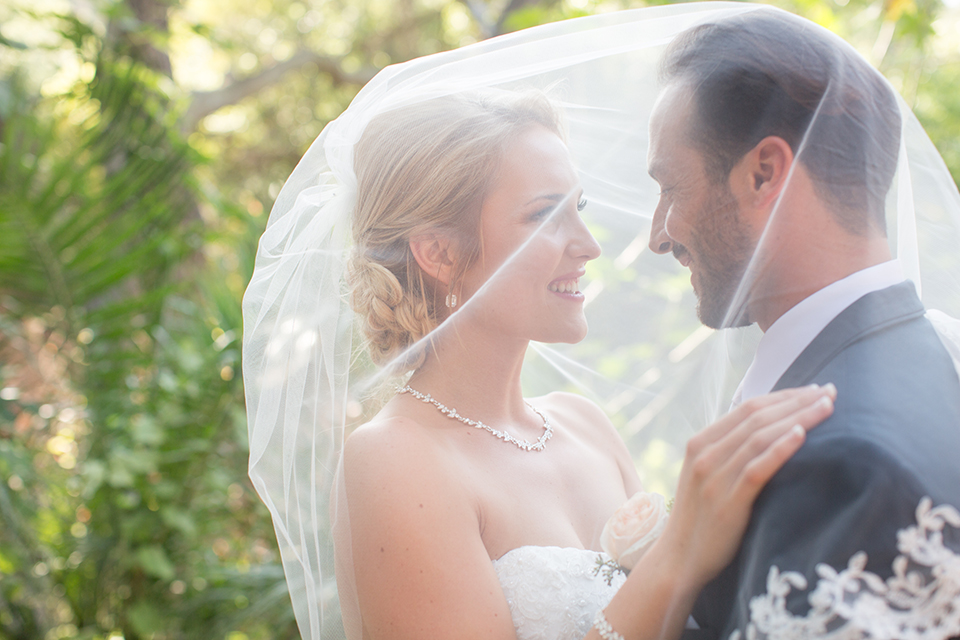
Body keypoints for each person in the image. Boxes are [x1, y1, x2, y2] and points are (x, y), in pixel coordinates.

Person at [241, 5, 960, 640]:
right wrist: (678, 550)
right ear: (436, 251)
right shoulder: (394, 459)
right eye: (543, 215)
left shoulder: (585, 426)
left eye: (578, 208)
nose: (588, 245)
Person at [646, 10, 960, 640]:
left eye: (671, 188)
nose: (658, 235)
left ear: (764, 173)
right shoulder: (938, 351)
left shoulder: (844, 464)